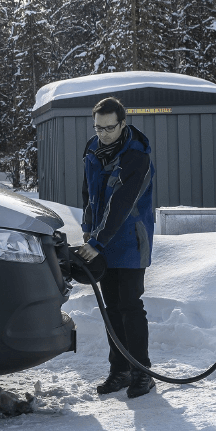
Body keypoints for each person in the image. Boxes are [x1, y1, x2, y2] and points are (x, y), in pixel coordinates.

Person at [78, 96, 157, 399]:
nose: (103, 134)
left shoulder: (136, 156)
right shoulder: (92, 149)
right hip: (101, 241)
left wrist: (97, 240)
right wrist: (88, 229)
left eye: (109, 128)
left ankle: (142, 373)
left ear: (123, 124)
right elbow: (90, 193)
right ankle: (119, 371)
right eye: (98, 128)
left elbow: (121, 204)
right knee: (111, 308)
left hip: (130, 240)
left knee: (130, 306)